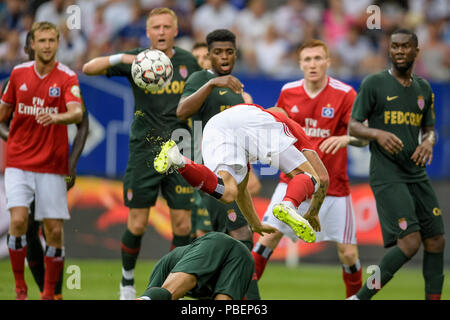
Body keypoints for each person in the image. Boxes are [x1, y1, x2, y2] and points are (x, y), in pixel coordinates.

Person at [82, 7, 202, 300]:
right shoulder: (136, 59)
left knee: (183, 224)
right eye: (155, 27)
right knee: (137, 222)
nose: (161, 32)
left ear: (176, 31)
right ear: (148, 32)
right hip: (143, 150)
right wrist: (124, 58)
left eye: (166, 27)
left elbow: (201, 102)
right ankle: (126, 283)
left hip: (179, 147)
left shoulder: (188, 62)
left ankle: (174, 285)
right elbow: (88, 69)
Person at [252, 39, 367, 298]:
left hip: (334, 187)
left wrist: (346, 138)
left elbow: (364, 135)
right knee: (267, 237)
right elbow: (278, 130)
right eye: (307, 59)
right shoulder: (289, 91)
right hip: (294, 180)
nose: (313, 64)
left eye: (318, 58)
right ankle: (242, 294)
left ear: (328, 61)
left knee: (348, 253)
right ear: (300, 63)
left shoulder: (345, 94)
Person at [348, 29, 445, 300]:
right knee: (410, 242)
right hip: (387, 173)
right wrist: (377, 133)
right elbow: (353, 126)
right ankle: (359, 298)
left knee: (437, 240)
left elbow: (429, 128)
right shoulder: (374, 83)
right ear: (388, 51)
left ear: (416, 51)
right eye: (395, 47)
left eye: (405, 46)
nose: (400, 51)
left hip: (416, 172)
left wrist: (429, 142)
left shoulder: (423, 88)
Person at [154, 103, 330, 244]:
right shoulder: (286, 123)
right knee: (310, 177)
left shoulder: (245, 127)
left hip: (216, 125)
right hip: (253, 123)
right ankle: (288, 205)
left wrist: (255, 223)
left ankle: (179, 160)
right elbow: (322, 177)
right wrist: (313, 211)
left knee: (228, 192)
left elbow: (242, 191)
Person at [0, 31, 89, 300]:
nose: (43, 49)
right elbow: (4, 121)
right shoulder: (14, 78)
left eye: (50, 42)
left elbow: (82, 121)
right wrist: (16, 139)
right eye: (38, 44)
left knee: (51, 229)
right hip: (21, 164)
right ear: (30, 47)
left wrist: (72, 165)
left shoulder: (63, 79)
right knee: (24, 227)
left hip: (52, 166)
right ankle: (37, 290)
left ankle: (54, 292)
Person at [180, 29, 261, 299]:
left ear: (235, 54)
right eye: (217, 52)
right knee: (240, 234)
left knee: (224, 240)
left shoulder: (238, 92)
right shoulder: (200, 79)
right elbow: (182, 111)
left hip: (235, 176)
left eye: (228, 51)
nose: (224, 56)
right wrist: (213, 84)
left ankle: (203, 291)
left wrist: (251, 170)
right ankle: (247, 299)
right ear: (209, 55)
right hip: (211, 173)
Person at [137, 232, 255, 300]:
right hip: (244, 257)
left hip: (217, 243)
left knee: (169, 291)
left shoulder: (163, 268)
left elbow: (159, 295)